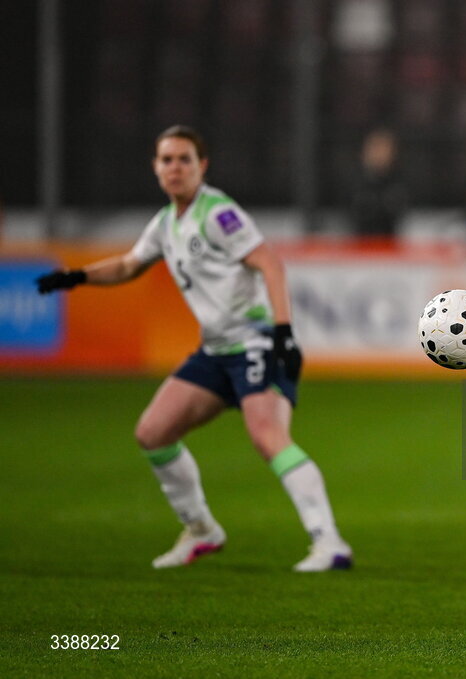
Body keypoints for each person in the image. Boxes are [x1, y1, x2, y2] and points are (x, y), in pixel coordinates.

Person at [36, 125, 353, 572]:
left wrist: (283, 331)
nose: (175, 168)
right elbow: (129, 264)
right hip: (216, 350)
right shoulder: (166, 224)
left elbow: (268, 262)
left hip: (253, 340)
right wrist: (76, 277)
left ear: (202, 166)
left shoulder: (218, 213)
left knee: (268, 437)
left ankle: (329, 541)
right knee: (152, 433)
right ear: (155, 168)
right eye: (167, 160)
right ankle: (202, 531)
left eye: (184, 159)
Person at [350, 128, 406, 238]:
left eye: (384, 148)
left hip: (388, 245)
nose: (379, 154)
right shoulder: (354, 182)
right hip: (359, 245)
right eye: (375, 147)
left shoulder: (399, 182)